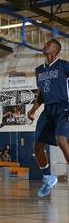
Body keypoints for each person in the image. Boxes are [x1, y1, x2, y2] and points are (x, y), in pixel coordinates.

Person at [28, 39, 69, 197]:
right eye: (44, 43)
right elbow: (41, 94)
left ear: (55, 50)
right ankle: (48, 177)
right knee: (37, 145)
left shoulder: (64, 66)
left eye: (48, 44)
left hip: (63, 106)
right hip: (48, 110)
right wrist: (32, 110)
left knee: (61, 140)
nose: (44, 45)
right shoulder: (39, 70)